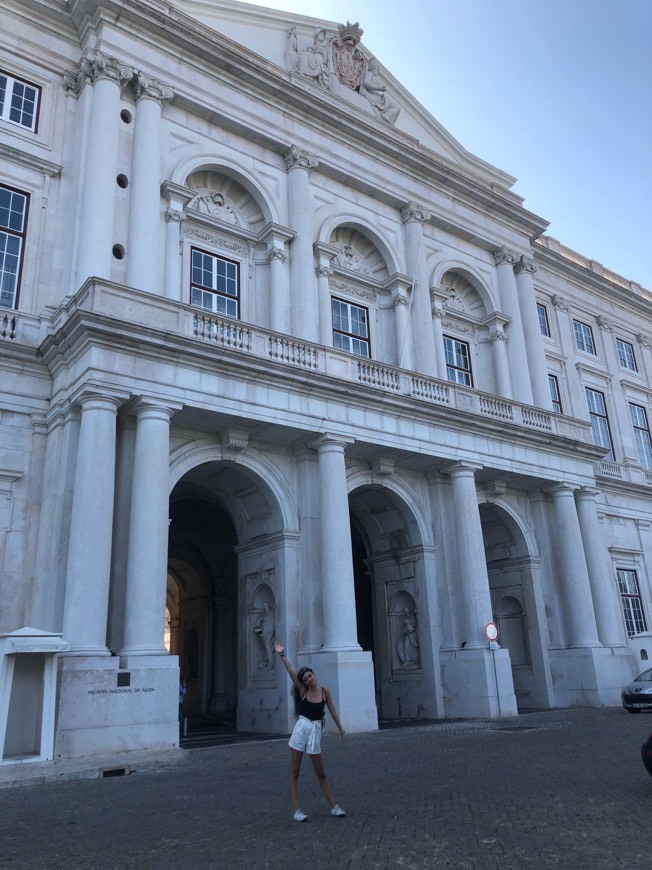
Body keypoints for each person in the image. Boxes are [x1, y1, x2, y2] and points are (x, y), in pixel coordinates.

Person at [273, 639, 346, 822]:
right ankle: (297, 810)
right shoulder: (303, 691)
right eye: (305, 678)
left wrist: (341, 729)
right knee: (295, 771)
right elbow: (291, 671)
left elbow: (333, 711)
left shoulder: (325, 691)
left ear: (314, 675)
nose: (308, 678)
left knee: (320, 772)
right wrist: (282, 654)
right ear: (303, 682)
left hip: (314, 730)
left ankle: (334, 806)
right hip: (302, 728)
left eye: (309, 676)